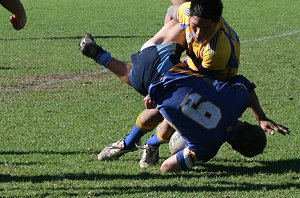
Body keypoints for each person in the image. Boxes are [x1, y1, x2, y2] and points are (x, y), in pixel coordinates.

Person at [79, 34, 289, 172]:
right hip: (160, 77)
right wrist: (193, 154)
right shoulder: (207, 148)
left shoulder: (236, 101)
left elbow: (246, 87)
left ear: (248, 125)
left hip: (172, 68)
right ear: (234, 148)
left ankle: (135, 143)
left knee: (162, 112)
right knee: (146, 91)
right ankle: (136, 143)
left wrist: (260, 116)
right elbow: (166, 168)